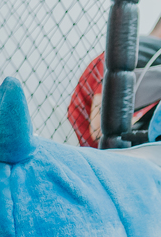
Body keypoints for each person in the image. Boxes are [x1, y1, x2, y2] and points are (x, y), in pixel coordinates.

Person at [68, 15, 161, 147]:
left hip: (104, 150)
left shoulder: (152, 78)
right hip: (77, 143)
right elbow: (98, 131)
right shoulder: (125, 58)